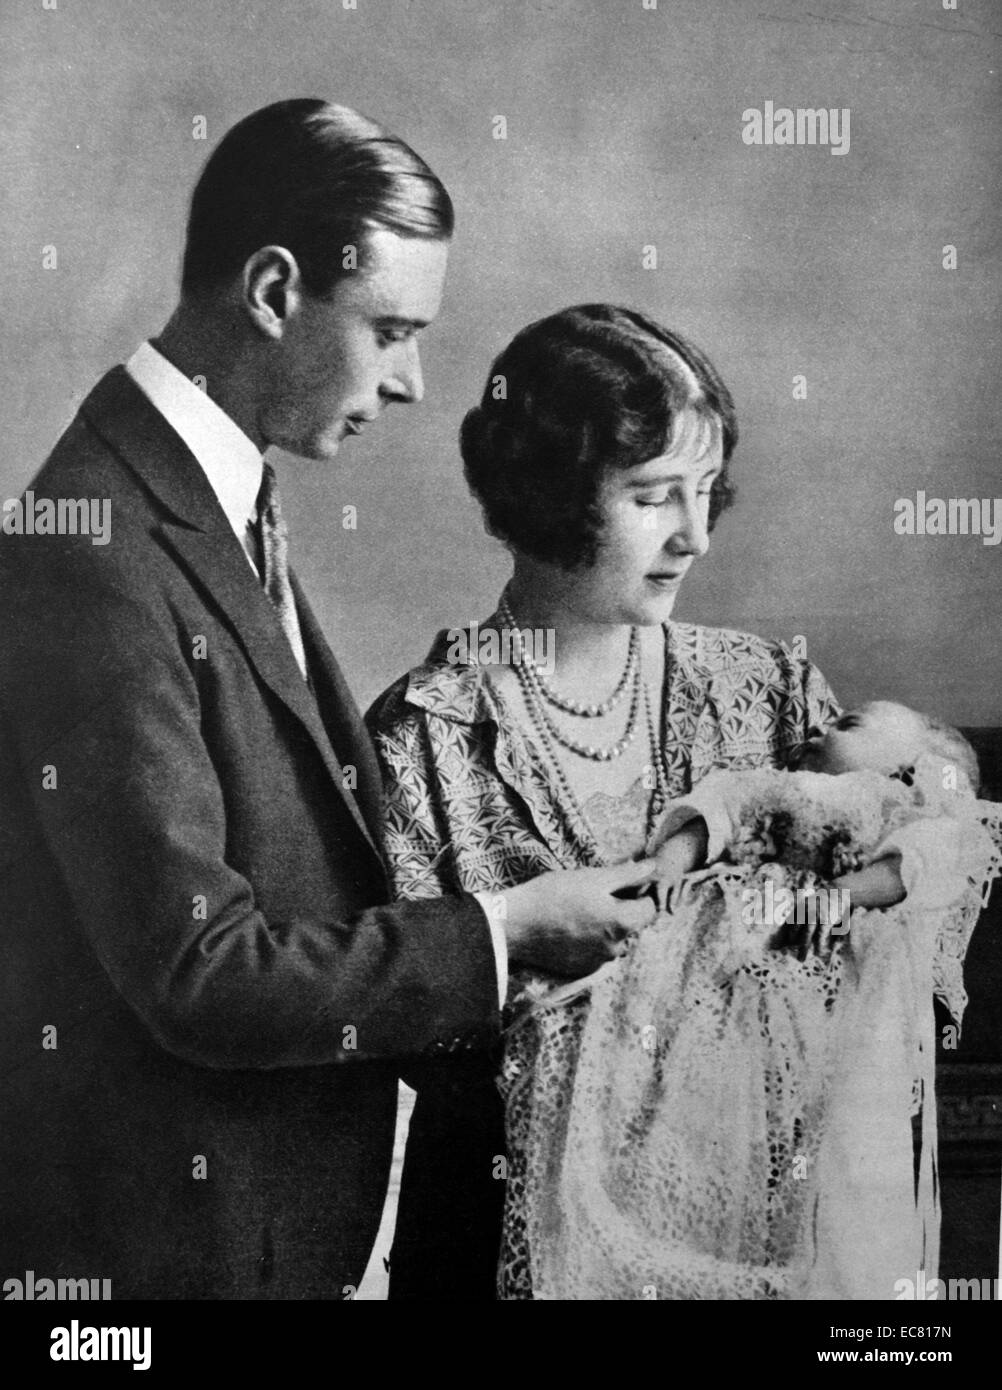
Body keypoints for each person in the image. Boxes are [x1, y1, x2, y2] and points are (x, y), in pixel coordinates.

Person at [0, 102, 654, 1300]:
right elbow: (199, 969)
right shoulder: (90, 546)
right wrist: (498, 941)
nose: (413, 382)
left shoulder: (204, 498)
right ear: (270, 291)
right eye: (391, 329)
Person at [367, 303, 842, 1299]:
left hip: (747, 1242)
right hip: (502, 1249)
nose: (696, 536)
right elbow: (405, 1031)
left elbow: (875, 916)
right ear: (549, 495)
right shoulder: (425, 735)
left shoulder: (767, 692)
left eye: (707, 492)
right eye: (655, 496)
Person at [510, 701, 1002, 1299]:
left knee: (803, 1138)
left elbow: (918, 864)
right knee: (665, 1063)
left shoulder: (902, 808)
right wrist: (668, 861)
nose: (819, 727)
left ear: (910, 770)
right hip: (709, 954)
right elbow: (714, 814)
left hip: (806, 966)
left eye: (849, 726)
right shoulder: (773, 784)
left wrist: (843, 895)